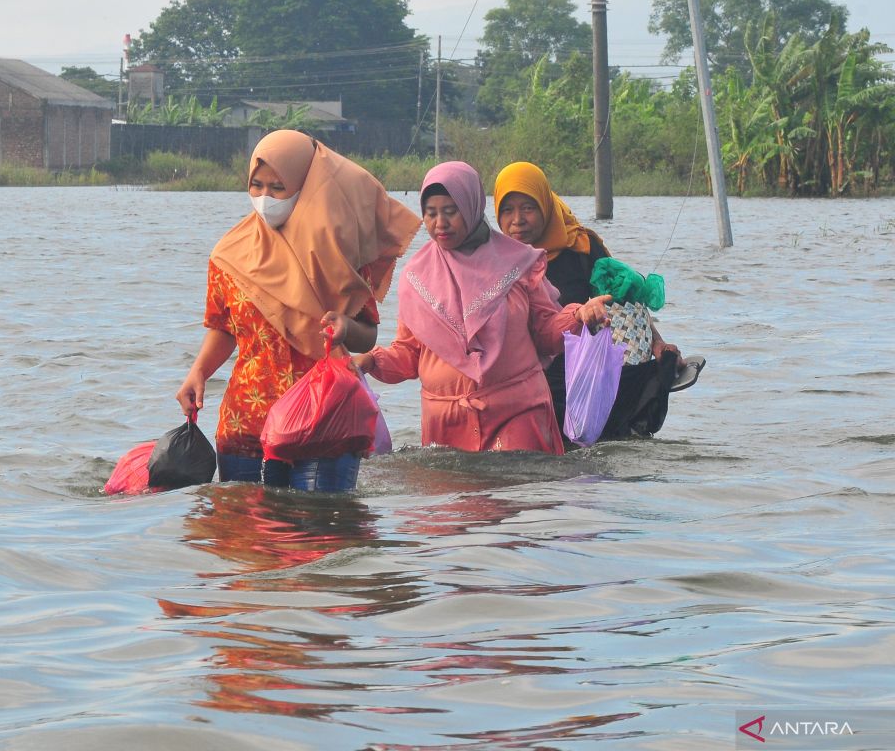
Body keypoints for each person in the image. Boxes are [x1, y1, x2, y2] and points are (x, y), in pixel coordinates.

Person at [176, 130, 420, 485]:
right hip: (247, 421)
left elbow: (366, 336)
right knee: (242, 536)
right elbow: (224, 329)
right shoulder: (228, 255)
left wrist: (344, 327)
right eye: (256, 185)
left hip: (323, 421)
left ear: (306, 185)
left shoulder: (336, 254)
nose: (264, 198)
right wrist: (197, 373)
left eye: (277, 187)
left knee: (321, 533)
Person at [351, 161, 612, 455]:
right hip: (445, 423)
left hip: (516, 411)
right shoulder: (416, 277)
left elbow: (545, 333)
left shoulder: (518, 262)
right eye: (431, 213)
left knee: (514, 492)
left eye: (451, 212)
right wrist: (371, 361)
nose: (440, 223)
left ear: (472, 207)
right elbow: (410, 354)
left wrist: (578, 315)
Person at [493, 161, 704, 440]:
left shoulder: (581, 248)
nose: (517, 219)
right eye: (507, 210)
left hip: (581, 370)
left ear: (545, 205)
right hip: (525, 376)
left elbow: (624, 303)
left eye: (528, 208)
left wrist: (657, 343)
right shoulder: (493, 259)